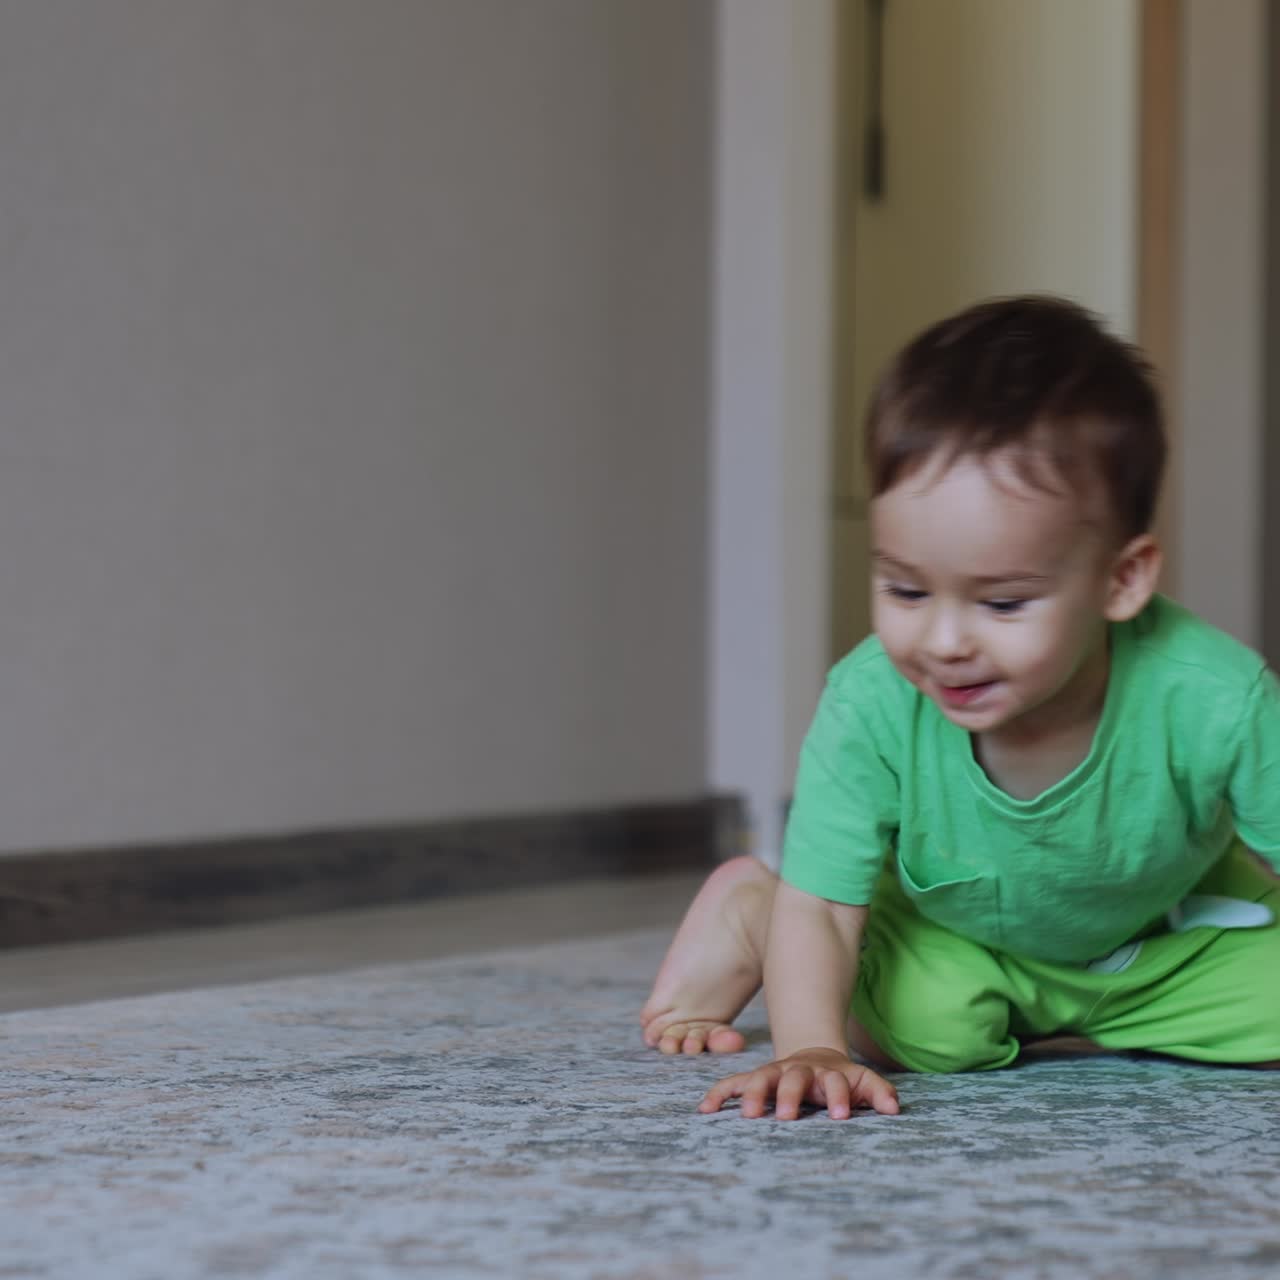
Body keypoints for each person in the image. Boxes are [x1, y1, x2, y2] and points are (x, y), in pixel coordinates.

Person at [640, 295, 1280, 1121]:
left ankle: (1085, 1021)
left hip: (1161, 942)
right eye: (905, 589)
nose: (943, 642)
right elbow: (831, 907)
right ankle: (756, 908)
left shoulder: (1216, 697)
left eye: (1004, 604)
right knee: (924, 1033)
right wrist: (811, 1047)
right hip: (962, 941)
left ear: (1121, 581)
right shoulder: (871, 700)